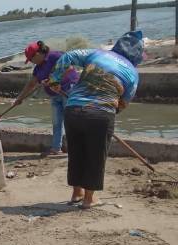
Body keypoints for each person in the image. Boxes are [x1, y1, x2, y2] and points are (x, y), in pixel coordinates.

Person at [46, 31, 143, 209]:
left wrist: (55, 79)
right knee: (95, 156)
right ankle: (89, 199)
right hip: (101, 114)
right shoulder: (132, 73)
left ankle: (77, 193)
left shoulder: (97, 54)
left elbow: (68, 56)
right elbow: (123, 103)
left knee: (76, 152)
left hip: (73, 110)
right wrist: (108, 115)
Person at [13, 40, 79, 156]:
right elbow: (31, 84)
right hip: (54, 96)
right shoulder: (38, 68)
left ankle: (76, 148)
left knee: (71, 121)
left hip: (68, 90)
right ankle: (56, 148)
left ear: (38, 54)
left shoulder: (55, 56)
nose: (31, 62)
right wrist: (20, 98)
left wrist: (53, 79)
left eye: (31, 59)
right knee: (56, 122)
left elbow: (69, 68)